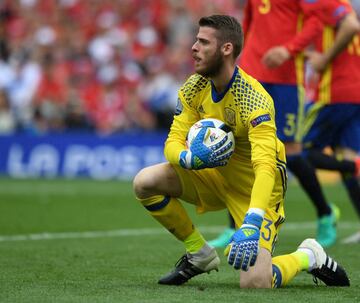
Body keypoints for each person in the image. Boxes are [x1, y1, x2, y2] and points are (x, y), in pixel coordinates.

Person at [133, 15, 349, 288]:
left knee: (256, 282)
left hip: (255, 190)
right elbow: (173, 140)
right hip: (213, 176)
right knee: (145, 182)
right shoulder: (193, 86)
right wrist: (187, 157)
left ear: (226, 49)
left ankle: (308, 256)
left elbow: (265, 167)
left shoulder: (253, 99)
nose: (193, 48)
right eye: (196, 40)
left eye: (203, 42)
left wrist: (253, 219)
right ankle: (199, 254)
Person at [209, 0, 356, 249]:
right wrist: (234, 60)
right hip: (252, 74)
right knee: (238, 147)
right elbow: (249, 23)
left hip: (287, 79)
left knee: (292, 152)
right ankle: (234, 226)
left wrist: (289, 50)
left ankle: (325, 214)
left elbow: (316, 21)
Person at [303, 0, 360, 243]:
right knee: (344, 154)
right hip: (353, 91)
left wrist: (324, 59)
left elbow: (350, 26)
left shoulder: (331, 2)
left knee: (301, 152)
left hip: (334, 93)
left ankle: (355, 166)